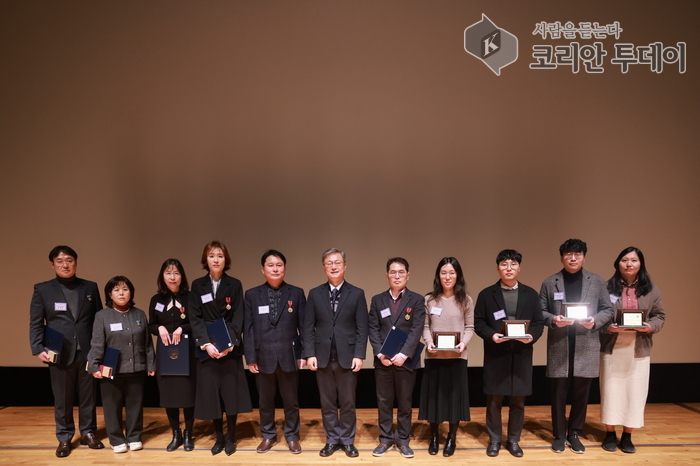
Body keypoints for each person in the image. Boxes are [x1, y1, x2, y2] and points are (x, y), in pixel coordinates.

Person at [29, 245, 105, 457]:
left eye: (69, 260)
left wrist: (100, 351)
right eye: (60, 261)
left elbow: (99, 320)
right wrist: (37, 347)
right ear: (52, 264)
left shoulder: (90, 287)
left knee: (89, 397)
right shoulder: (43, 289)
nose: (65, 265)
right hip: (59, 353)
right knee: (62, 399)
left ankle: (88, 432)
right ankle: (64, 437)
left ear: (75, 263)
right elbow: (36, 322)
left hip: (88, 353)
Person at [540, 239, 614, 454]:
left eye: (577, 254)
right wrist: (553, 319)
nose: (573, 258)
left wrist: (595, 321)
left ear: (584, 257)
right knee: (558, 393)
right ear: (562, 257)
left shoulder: (596, 281)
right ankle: (559, 435)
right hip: (560, 343)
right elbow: (540, 311)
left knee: (582, 393)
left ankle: (574, 433)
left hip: (586, 342)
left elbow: (608, 309)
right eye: (568, 254)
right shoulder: (550, 282)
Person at [474, 249, 545, 458]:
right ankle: (495, 440)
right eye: (504, 264)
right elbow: (479, 322)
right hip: (496, 354)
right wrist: (492, 335)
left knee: (518, 402)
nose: (508, 268)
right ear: (497, 268)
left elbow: (538, 322)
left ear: (519, 268)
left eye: (513, 264)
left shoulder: (530, 294)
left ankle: (513, 440)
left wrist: (531, 336)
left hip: (521, 354)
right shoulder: (487, 294)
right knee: (494, 401)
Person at [599, 247, 665, 454]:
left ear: (640, 264)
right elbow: (598, 315)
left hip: (638, 348)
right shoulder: (606, 287)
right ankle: (610, 433)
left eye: (634, 260)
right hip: (612, 347)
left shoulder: (651, 289)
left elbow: (659, 316)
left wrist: (650, 326)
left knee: (635, 393)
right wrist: (607, 327)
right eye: (625, 260)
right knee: (610, 392)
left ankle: (627, 435)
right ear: (618, 263)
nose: (629, 264)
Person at [188, 241, 252, 456]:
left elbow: (238, 316)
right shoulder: (198, 285)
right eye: (211, 256)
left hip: (229, 349)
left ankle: (231, 437)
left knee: (231, 394)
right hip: (207, 348)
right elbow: (195, 317)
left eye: (220, 256)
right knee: (212, 395)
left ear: (226, 260)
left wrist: (228, 345)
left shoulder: (234, 284)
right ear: (205, 260)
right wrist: (206, 344)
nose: (216, 260)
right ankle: (219, 437)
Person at [303, 248, 368, 458]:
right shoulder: (315, 294)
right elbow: (308, 327)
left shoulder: (357, 293)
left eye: (337, 262)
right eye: (329, 263)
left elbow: (362, 328)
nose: (333, 266)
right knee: (327, 402)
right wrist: (309, 354)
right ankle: (332, 439)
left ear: (345, 266)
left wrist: (359, 354)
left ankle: (347, 440)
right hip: (322, 356)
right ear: (324, 268)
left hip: (348, 357)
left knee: (348, 402)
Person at [243, 250, 307, 454]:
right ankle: (268, 435)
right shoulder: (252, 295)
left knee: (291, 401)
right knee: (265, 401)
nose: (275, 269)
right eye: (270, 265)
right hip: (263, 356)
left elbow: (304, 327)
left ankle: (292, 436)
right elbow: (248, 329)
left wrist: (303, 354)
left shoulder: (296, 293)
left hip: (289, 356)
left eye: (279, 265)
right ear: (263, 270)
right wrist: (250, 357)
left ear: (285, 269)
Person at [87, 276, 156, 453]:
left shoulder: (139, 314)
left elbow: (147, 343)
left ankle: (134, 437)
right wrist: (93, 365)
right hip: (111, 370)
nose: (121, 293)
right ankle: (116, 439)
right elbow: (97, 343)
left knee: (135, 406)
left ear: (131, 292)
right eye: (116, 290)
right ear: (110, 294)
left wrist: (151, 364)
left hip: (136, 367)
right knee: (111, 407)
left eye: (125, 289)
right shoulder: (102, 316)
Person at [368, 257, 426, 459]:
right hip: (383, 361)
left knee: (405, 402)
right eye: (393, 272)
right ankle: (385, 439)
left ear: (408, 275)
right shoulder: (377, 300)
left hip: (406, 361)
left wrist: (403, 354)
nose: (397, 276)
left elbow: (416, 329)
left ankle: (402, 439)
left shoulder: (417, 300)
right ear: (387, 275)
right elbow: (373, 328)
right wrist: (380, 354)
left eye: (401, 272)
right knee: (384, 402)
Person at [419, 257, 474, 457]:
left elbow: (470, 327)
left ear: (457, 275)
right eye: (443, 273)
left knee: (454, 400)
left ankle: (452, 437)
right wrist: (428, 342)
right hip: (434, 357)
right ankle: (434, 436)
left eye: (451, 273)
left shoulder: (466, 300)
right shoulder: (429, 299)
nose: (447, 277)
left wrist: (463, 343)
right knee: (434, 399)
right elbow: (425, 327)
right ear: (438, 276)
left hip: (457, 358)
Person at [147, 259, 196, 452]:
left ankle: (189, 434)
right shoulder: (156, 300)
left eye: (176, 273)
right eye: (168, 273)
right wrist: (159, 327)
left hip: (187, 352)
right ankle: (176, 434)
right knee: (169, 394)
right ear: (163, 276)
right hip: (166, 354)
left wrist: (182, 328)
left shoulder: (191, 298)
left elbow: (198, 323)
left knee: (188, 394)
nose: (172, 277)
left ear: (182, 276)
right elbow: (151, 325)